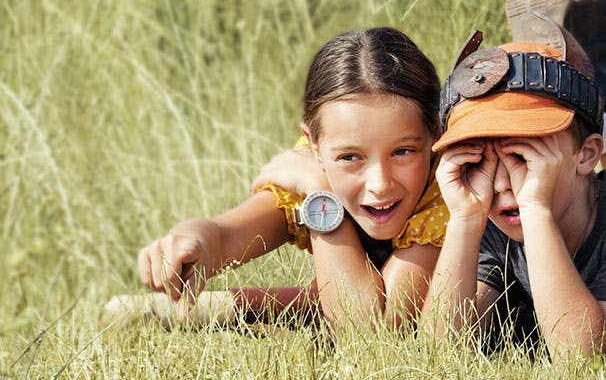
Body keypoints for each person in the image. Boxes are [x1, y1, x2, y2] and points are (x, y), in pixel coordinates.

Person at [114, 27, 448, 331]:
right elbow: (224, 236)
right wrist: (189, 241)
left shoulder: (443, 183)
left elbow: (373, 328)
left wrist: (320, 192)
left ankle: (258, 307)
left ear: (434, 135)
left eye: (402, 152)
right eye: (350, 157)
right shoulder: (311, 167)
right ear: (313, 146)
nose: (380, 183)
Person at [420, 7, 606, 356]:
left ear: (586, 155)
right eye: (477, 162)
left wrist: (536, 209)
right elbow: (440, 351)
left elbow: (583, 356)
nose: (501, 184)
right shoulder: (496, 227)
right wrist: (464, 219)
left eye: (522, 157)